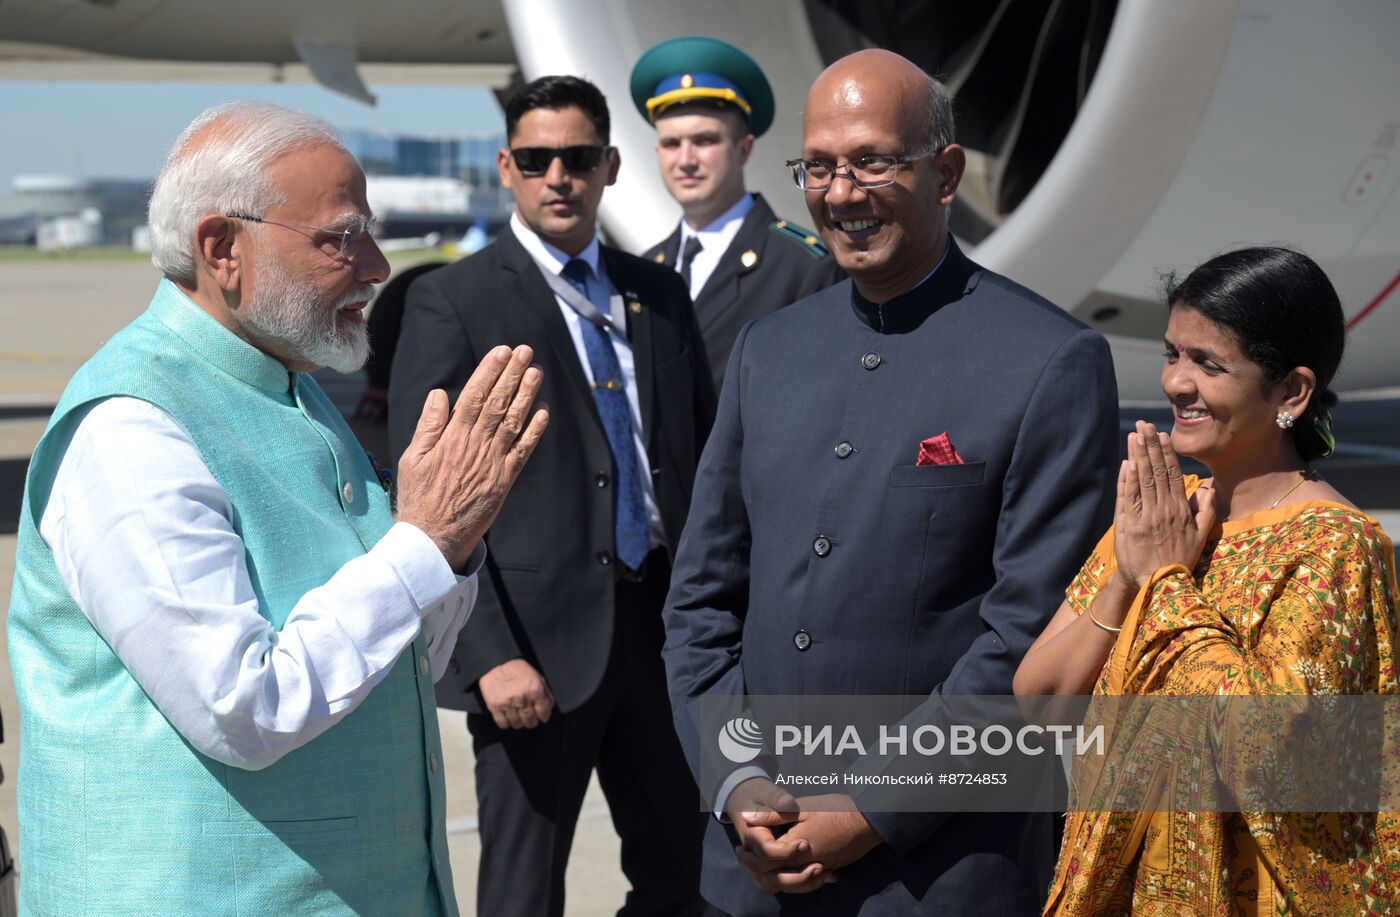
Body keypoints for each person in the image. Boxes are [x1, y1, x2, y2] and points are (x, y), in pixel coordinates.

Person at [7, 101, 549, 916]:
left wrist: (452, 548)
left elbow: (399, 667)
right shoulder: (132, 428)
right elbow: (243, 705)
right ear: (223, 249)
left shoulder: (293, 392)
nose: (375, 266)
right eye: (341, 237)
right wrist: (422, 542)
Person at [662, 48, 1119, 914]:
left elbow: (1026, 640)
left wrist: (871, 807)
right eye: (820, 167)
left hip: (939, 873)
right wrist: (737, 780)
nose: (840, 193)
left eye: (872, 161)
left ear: (945, 172)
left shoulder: (1049, 362)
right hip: (754, 869)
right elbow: (701, 601)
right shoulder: (770, 351)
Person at [387, 75, 717, 917]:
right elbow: (420, 492)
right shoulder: (453, 301)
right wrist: (486, 654)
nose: (557, 176)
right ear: (506, 168)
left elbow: (704, 460)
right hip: (534, 652)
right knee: (523, 892)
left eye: (576, 157)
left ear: (610, 165)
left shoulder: (659, 294)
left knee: (688, 875)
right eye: (536, 159)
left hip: (663, 637)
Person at [1014, 246, 1400, 915]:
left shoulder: (1335, 545)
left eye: (1208, 363)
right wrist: (1128, 580)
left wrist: (1165, 579)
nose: (1175, 383)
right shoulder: (1164, 514)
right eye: (1173, 354)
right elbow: (1038, 700)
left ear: (1292, 392)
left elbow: (1268, 756)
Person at [631, 35, 843, 389]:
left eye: (704, 141)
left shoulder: (804, 266)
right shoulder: (643, 270)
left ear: (743, 150)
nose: (685, 160)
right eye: (671, 144)